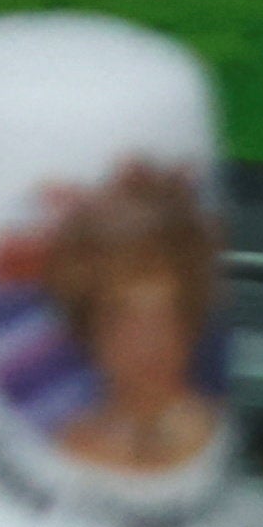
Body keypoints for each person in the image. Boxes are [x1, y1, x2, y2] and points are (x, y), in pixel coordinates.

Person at [33, 159, 230, 476]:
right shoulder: (65, 447)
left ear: (193, 321)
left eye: (166, 315)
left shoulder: (221, 440)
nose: (147, 342)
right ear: (87, 329)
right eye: (121, 315)